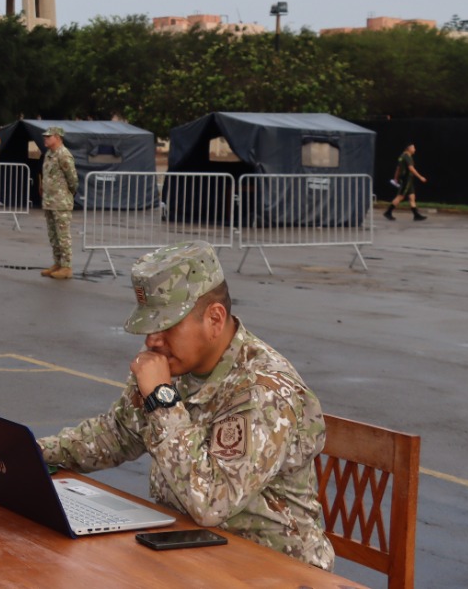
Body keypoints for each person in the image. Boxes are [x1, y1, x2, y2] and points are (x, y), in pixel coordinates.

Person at [38, 241, 333, 570]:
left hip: (272, 569)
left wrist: (161, 399)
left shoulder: (264, 390)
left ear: (215, 319)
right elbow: (116, 435)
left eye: (166, 325)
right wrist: (31, 452)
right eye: (150, 326)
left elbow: (211, 502)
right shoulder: (175, 364)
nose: (152, 340)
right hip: (191, 550)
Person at [39, 125, 78, 279]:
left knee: (63, 235)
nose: (45, 139)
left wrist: (68, 194)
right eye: (45, 136)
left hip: (61, 201)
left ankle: (66, 267)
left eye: (48, 136)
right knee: (53, 235)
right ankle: (57, 263)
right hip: (49, 201)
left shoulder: (64, 155)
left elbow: (73, 179)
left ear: (58, 138)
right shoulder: (49, 154)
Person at [385, 143, 428, 221]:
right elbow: (411, 168)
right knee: (400, 196)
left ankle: (416, 215)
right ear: (409, 148)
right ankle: (388, 212)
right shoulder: (407, 157)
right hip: (406, 179)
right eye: (413, 148)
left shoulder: (402, 156)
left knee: (412, 197)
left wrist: (395, 178)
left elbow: (398, 168)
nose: (415, 149)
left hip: (407, 179)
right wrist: (420, 177)